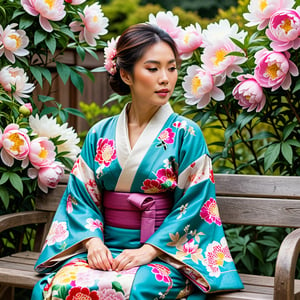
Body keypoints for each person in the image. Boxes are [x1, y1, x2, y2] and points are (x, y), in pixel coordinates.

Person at [32, 23, 243, 300]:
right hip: (104, 251)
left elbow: (195, 205)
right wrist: (93, 243)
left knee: (138, 288)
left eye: (172, 67)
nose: (165, 78)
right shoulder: (100, 133)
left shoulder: (186, 133)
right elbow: (81, 197)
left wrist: (149, 251)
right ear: (126, 75)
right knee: (54, 287)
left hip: (164, 255)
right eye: (153, 69)